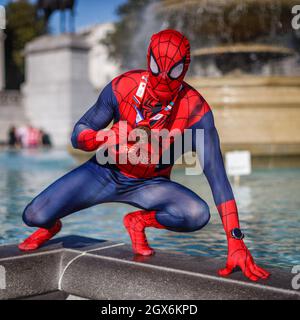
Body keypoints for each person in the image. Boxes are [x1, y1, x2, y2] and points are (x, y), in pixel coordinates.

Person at [18, 29, 269, 282]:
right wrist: (104, 137)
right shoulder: (121, 87)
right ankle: (52, 225)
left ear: (185, 68)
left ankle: (138, 221)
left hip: (151, 183)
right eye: (156, 67)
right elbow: (78, 135)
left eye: (172, 71)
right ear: (148, 58)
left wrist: (236, 240)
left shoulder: (195, 109)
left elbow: (218, 178)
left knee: (196, 214)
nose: (162, 78)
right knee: (33, 216)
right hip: (104, 172)